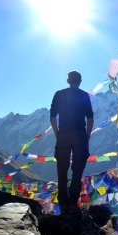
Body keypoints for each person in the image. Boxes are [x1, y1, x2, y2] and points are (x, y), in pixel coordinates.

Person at [50, 71, 94, 214]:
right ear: (80, 81)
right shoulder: (84, 95)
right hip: (79, 136)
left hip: (63, 136)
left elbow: (52, 117)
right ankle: (73, 203)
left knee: (61, 170)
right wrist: (86, 136)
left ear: (68, 81)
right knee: (77, 170)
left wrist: (58, 134)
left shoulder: (59, 94)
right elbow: (90, 118)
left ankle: (63, 203)